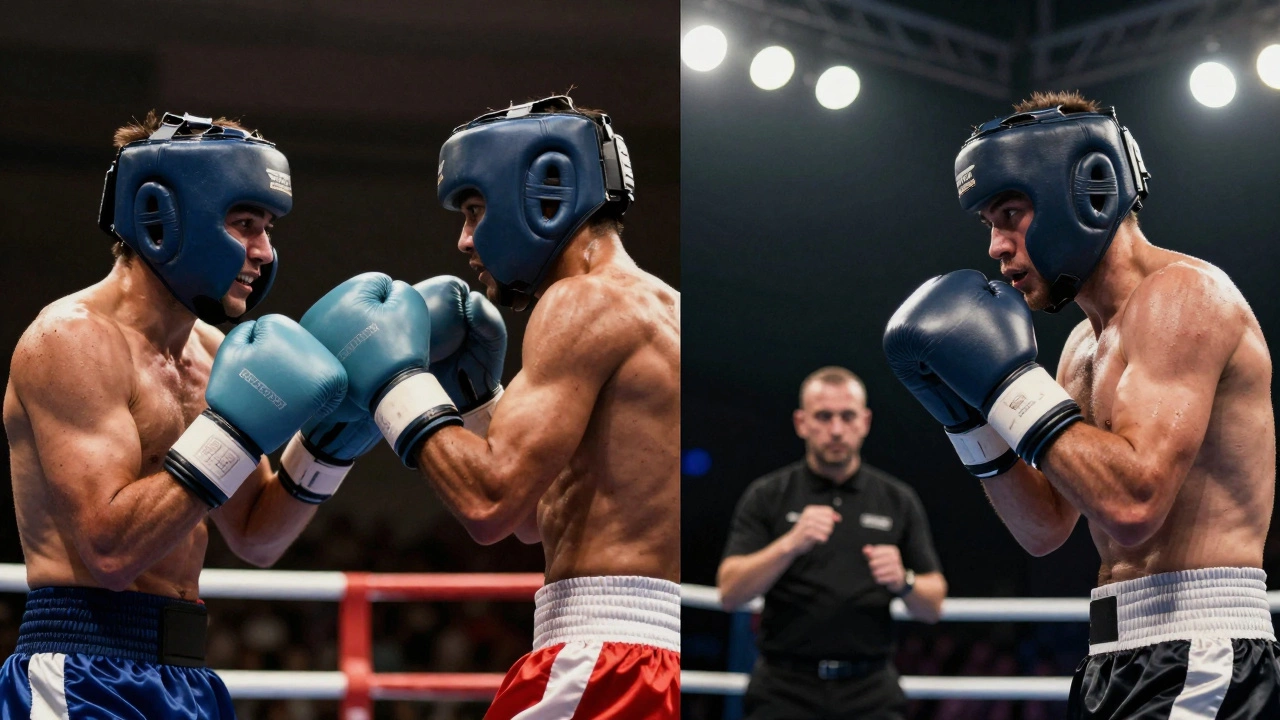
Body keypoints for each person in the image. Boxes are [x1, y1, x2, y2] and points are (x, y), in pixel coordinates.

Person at [884, 90, 1277, 718]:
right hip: (1113, 658)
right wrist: (969, 418)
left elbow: (1133, 501)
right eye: (988, 225)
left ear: (1084, 194)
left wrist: (1005, 387)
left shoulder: (1184, 298)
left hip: (1202, 648)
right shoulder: (1080, 348)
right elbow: (1043, 528)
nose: (996, 247)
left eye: (1011, 213)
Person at [298, 96, 681, 719]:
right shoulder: (660, 307)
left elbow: (488, 505)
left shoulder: (582, 303)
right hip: (643, 656)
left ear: (543, 195)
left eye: (476, 210)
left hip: (599, 658)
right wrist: (477, 405)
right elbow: (536, 515)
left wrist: (395, 382)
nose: (464, 239)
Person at [1, 111, 350, 718]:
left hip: (187, 675)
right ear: (165, 218)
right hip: (84, 671)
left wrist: (337, 439)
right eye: (245, 224)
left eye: (267, 228)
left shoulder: (214, 354)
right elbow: (109, 551)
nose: (265, 252)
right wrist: (233, 433)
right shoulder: (72, 341)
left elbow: (257, 536)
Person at [717, 367, 947, 720]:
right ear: (801, 422)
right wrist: (789, 544)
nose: (836, 429)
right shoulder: (768, 495)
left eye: (847, 416)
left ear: (865, 421)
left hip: (870, 688)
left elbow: (933, 606)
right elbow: (730, 593)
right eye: (823, 416)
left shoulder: (896, 499)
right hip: (784, 686)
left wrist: (904, 581)